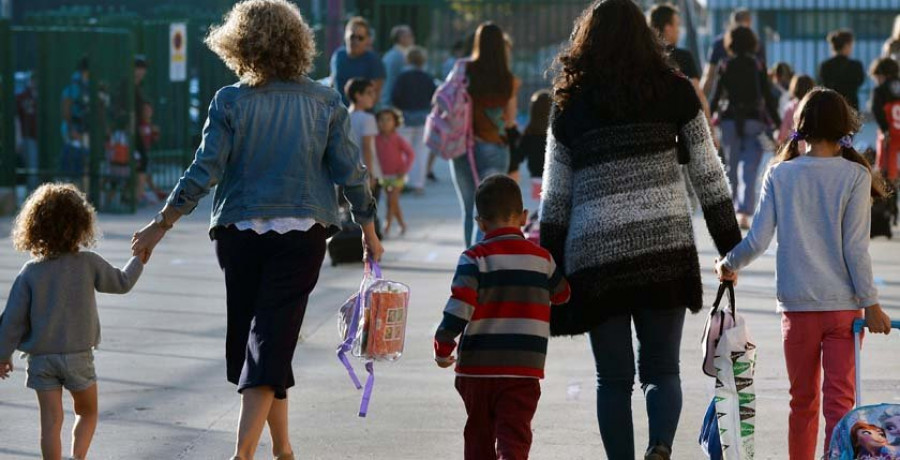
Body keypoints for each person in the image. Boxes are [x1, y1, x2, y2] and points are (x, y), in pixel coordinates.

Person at [129, 2, 381, 459]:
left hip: (239, 233)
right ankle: (260, 452)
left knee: (261, 339)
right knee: (268, 339)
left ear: (239, 45)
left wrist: (159, 224)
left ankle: (267, 450)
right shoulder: (325, 102)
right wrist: (368, 224)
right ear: (298, 43)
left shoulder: (231, 100)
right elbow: (351, 171)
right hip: (302, 234)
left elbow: (204, 171)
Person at [540, 1, 741, 458]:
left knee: (612, 379)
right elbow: (709, 175)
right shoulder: (675, 91)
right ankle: (661, 446)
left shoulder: (570, 102)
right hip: (664, 249)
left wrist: (551, 264)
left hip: (596, 256)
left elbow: (555, 196)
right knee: (661, 371)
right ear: (646, 37)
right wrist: (730, 248)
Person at [716, 88, 893, 459]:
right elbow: (854, 249)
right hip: (844, 310)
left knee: (802, 402)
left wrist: (728, 264)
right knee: (840, 406)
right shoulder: (855, 176)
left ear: (801, 127)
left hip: (796, 308)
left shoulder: (781, 174)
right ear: (844, 127)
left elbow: (758, 240)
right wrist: (871, 304)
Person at [0, 183, 143, 460]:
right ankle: (79, 458)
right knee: (87, 411)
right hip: (79, 356)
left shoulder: (30, 271)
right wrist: (139, 259)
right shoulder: (88, 262)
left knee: (51, 424)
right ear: (81, 224)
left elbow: (12, 320)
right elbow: (122, 283)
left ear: (34, 226)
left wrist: (2, 355)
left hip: (41, 360)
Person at [434, 174, 571, 460]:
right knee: (515, 436)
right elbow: (562, 294)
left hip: (478, 371)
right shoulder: (542, 259)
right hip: (523, 370)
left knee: (478, 435)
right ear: (522, 217)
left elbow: (460, 304)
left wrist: (444, 344)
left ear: (480, 223)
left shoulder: (473, 258)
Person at [450, 22, 520, 246]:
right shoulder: (508, 79)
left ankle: (469, 265)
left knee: (469, 208)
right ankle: (483, 266)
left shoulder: (463, 70)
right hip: (493, 147)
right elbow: (509, 120)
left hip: (461, 146)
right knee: (488, 213)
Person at [709, 25, 781, 229]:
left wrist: (707, 120)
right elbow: (768, 98)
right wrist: (777, 125)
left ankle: (730, 210)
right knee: (749, 168)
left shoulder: (724, 65)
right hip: (754, 121)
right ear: (752, 42)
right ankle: (743, 213)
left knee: (730, 166)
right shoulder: (758, 65)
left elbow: (715, 96)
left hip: (729, 121)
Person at [648, 3, 711, 121]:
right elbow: (698, 95)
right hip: (677, 126)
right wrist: (711, 131)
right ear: (668, 28)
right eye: (677, 25)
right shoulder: (683, 57)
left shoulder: (644, 56)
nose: (679, 31)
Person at [391, 46, 437, 195]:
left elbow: (395, 96)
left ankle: (402, 183)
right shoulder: (427, 77)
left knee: (403, 153)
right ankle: (418, 185)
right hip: (423, 118)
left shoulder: (402, 77)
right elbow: (433, 97)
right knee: (421, 153)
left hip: (405, 118)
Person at [701, 8, 766, 96]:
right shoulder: (757, 44)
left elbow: (709, 75)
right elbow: (762, 76)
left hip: (727, 99)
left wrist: (700, 102)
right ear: (749, 23)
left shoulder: (720, 43)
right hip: (751, 99)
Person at [375, 108, 415, 236]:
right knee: (392, 201)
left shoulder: (397, 138)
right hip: (383, 176)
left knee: (392, 200)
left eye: (388, 120)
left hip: (398, 174)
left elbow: (410, 154)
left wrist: (405, 169)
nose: (385, 123)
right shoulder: (376, 139)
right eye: (381, 120)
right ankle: (402, 224)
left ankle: (387, 225)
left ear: (395, 122)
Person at [330, 17, 386, 106]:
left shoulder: (373, 60)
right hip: (338, 114)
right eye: (352, 36)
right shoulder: (338, 56)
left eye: (360, 38)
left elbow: (376, 94)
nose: (355, 41)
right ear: (345, 36)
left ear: (367, 39)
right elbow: (332, 82)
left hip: (363, 115)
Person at [346, 78, 381, 192]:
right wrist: (370, 174)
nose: (373, 97)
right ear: (358, 95)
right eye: (369, 93)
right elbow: (367, 147)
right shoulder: (368, 119)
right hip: (364, 172)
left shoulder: (343, 116)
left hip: (347, 172)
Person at [869, 57, 900, 182]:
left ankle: (890, 198)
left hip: (889, 135)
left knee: (886, 174)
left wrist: (884, 129)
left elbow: (876, 110)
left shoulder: (880, 90)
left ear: (882, 75)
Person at [819, 29, 866, 111]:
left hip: (831, 105)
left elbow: (822, 84)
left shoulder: (825, 65)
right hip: (851, 105)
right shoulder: (855, 65)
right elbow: (860, 81)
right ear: (846, 45)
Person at [61, 58, 91, 181]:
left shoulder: (88, 86)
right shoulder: (74, 86)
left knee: (85, 163)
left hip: (84, 129)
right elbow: (66, 109)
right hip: (74, 130)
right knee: (75, 164)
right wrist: (72, 130)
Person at [15, 71, 39, 190]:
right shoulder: (22, 97)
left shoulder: (41, 97)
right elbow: (17, 119)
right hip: (28, 137)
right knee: (32, 170)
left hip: (39, 137)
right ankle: (32, 195)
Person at [136, 102, 164, 205]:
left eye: (149, 110)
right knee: (144, 174)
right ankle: (141, 195)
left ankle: (153, 192)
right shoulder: (139, 124)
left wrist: (155, 133)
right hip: (139, 153)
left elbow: (154, 139)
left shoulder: (150, 124)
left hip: (146, 153)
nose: (148, 112)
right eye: (145, 110)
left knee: (147, 175)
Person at [380, 25, 414, 108]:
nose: (412, 38)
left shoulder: (390, 54)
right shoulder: (400, 56)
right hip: (392, 104)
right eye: (409, 36)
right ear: (401, 38)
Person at [777, 74, 815, 145]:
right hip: (814, 149)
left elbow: (782, 134)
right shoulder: (816, 105)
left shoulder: (791, 107)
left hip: (796, 148)